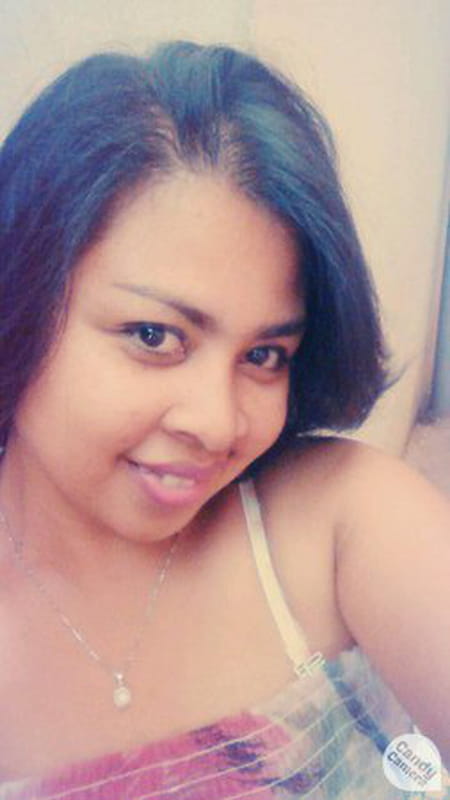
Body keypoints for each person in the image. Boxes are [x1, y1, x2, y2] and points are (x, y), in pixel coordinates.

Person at [0, 40, 448, 799]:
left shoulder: (346, 521)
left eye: (265, 355)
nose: (218, 423)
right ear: (19, 295)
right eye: (155, 336)